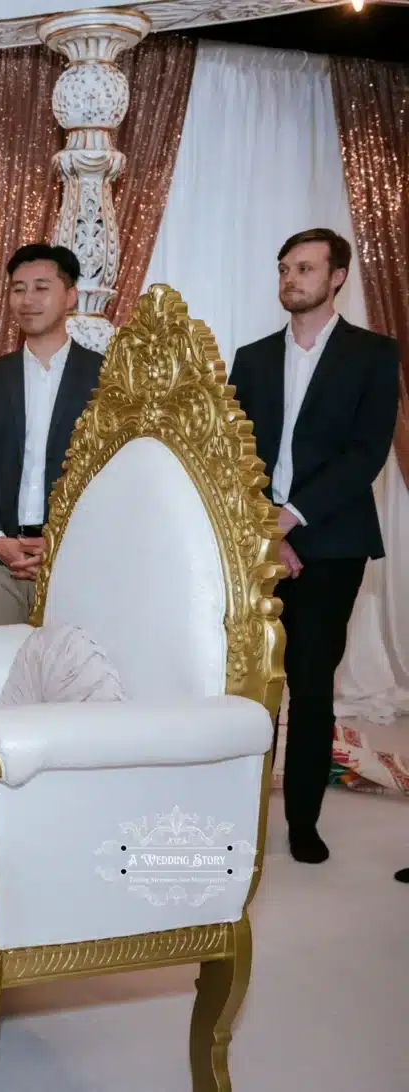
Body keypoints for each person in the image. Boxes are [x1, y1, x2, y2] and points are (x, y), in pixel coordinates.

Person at [229, 227, 399, 865]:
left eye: (303, 268)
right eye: (283, 269)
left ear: (336, 278)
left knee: (310, 683)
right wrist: (265, 531)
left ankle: (302, 820)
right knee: (251, 688)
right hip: (257, 546)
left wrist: (291, 520)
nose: (290, 279)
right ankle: (241, 816)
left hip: (332, 544)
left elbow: (365, 454)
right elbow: (234, 452)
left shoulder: (374, 354)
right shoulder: (249, 357)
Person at [0, 243, 105, 625]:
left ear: (70, 295)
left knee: (71, 676)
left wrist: (63, 540)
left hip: (75, 557)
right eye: (18, 288)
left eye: (41, 287)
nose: (28, 299)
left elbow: (112, 473)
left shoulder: (105, 377)